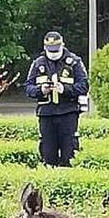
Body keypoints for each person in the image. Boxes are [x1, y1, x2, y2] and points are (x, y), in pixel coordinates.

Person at [25, 31, 89, 167]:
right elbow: (28, 88)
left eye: (56, 50)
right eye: (50, 50)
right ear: (45, 47)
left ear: (62, 45)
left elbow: (84, 86)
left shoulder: (74, 62)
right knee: (48, 154)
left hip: (68, 113)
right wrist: (40, 90)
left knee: (70, 153)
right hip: (46, 114)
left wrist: (64, 89)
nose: (53, 53)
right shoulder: (38, 64)